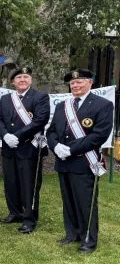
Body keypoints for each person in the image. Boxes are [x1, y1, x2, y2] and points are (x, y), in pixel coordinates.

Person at [46, 68, 113, 253]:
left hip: (84, 162)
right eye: (72, 83)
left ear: (90, 83)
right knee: (68, 200)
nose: (75, 85)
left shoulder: (103, 105)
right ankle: (72, 233)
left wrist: (71, 149)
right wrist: (56, 146)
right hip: (64, 161)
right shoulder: (62, 106)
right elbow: (51, 131)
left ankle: (88, 239)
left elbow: (99, 136)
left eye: (79, 82)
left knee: (85, 202)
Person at [0, 67, 49, 234]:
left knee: (29, 185)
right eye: (18, 77)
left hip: (28, 147)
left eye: (25, 77)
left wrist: (16, 136)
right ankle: (14, 212)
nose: (22, 79)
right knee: (10, 182)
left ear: (30, 80)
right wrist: (5, 136)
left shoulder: (40, 97)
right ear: (13, 82)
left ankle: (29, 218)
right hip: (9, 147)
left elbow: (40, 121)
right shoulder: (5, 99)